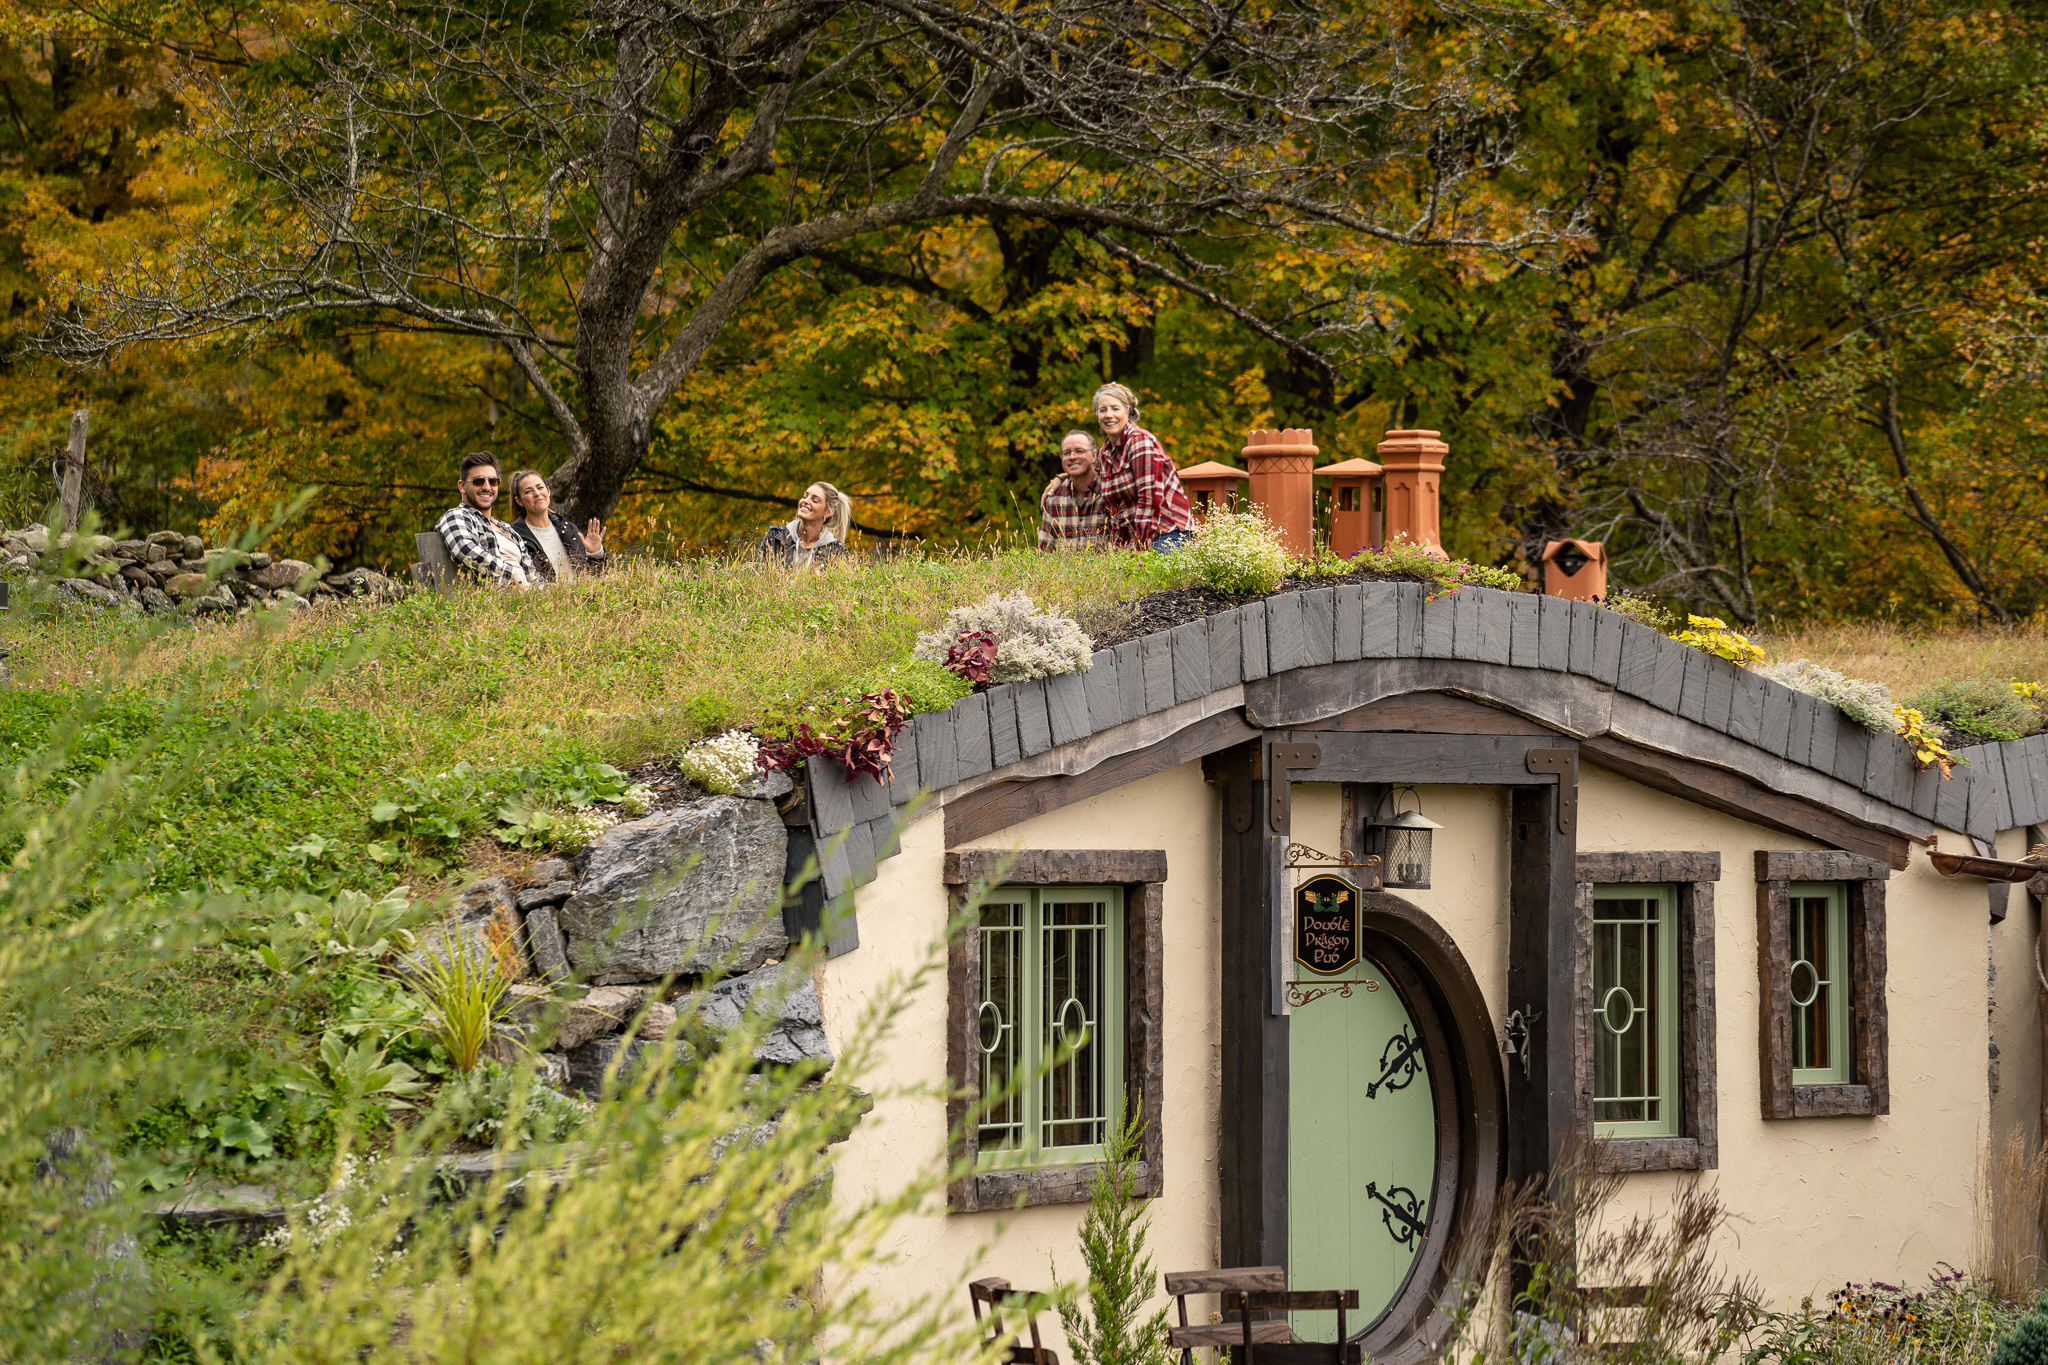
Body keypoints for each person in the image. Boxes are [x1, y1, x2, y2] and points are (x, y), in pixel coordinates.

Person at [1090, 382, 1195, 552]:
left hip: (1167, 533)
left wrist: (1141, 546)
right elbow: (1108, 501)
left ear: (1128, 411)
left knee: (1145, 576)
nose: (1108, 415)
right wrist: (1060, 479)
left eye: (1115, 408)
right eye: (1103, 410)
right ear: (1097, 415)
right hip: (1137, 540)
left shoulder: (1140, 441)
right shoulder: (1105, 452)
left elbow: (1150, 498)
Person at [436, 452, 539, 587]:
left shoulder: (506, 529)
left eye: (493, 481)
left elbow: (533, 579)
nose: (487, 487)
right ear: (462, 486)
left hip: (530, 603)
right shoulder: (456, 516)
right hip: (497, 605)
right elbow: (465, 550)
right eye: (478, 481)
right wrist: (511, 574)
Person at [507, 469, 608, 582]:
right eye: (528, 491)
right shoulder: (514, 537)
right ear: (519, 501)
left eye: (540, 487)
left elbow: (599, 578)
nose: (537, 493)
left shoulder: (567, 528)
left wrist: (596, 554)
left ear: (548, 491)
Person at [1037, 430, 1109, 552]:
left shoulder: (1111, 492)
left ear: (1093, 455)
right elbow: (1044, 555)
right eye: (1067, 453)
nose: (1072, 457)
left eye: (1079, 451)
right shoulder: (1053, 499)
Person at [758, 482, 853, 569]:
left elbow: (834, 587)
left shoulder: (835, 550)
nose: (806, 501)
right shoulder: (776, 536)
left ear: (828, 512)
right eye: (804, 496)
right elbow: (759, 575)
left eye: (815, 500)